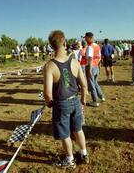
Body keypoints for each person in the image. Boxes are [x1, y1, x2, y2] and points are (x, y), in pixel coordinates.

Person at [43, 30, 89, 169]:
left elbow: (47, 93)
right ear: (65, 42)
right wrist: (83, 98)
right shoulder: (74, 62)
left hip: (61, 104)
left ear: (51, 46)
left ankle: (69, 159)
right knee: (78, 129)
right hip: (75, 101)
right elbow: (84, 84)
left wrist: (49, 103)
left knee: (65, 134)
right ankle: (83, 153)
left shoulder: (49, 66)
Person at [85, 32, 105, 107]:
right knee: (96, 83)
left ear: (89, 38)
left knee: (92, 85)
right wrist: (97, 66)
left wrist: (90, 69)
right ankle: (102, 97)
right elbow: (99, 57)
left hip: (91, 67)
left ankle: (95, 101)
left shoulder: (90, 47)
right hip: (96, 66)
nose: (85, 39)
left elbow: (90, 58)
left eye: (86, 37)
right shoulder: (97, 46)